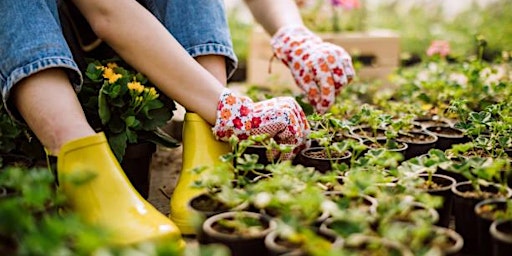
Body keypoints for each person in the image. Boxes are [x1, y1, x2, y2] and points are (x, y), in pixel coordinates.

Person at [0, 0, 354, 246]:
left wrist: (293, 35)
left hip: (139, 42)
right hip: (36, 48)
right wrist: (234, 111)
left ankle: (207, 146)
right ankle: (80, 169)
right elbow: (105, 10)